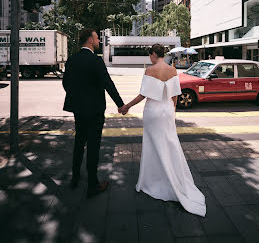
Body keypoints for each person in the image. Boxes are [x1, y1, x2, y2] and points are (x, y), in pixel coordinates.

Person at [119, 44, 206, 217]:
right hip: (166, 111)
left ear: (153, 54)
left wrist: (127, 105)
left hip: (152, 112)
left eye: (150, 55)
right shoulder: (172, 70)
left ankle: (153, 180)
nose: (149, 58)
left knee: (152, 146)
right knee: (169, 144)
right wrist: (172, 112)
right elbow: (174, 95)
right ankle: (173, 178)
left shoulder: (150, 70)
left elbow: (144, 94)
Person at [62, 29, 124, 198]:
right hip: (95, 111)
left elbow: (66, 84)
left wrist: (79, 98)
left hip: (78, 110)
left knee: (79, 142)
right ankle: (92, 185)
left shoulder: (72, 59)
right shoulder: (95, 61)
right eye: (97, 39)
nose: (99, 42)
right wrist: (121, 105)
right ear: (90, 40)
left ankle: (75, 178)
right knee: (93, 147)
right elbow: (108, 84)